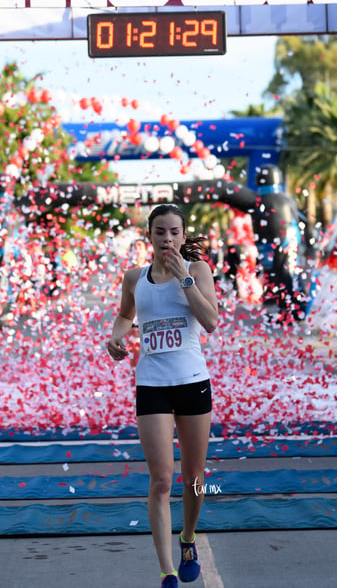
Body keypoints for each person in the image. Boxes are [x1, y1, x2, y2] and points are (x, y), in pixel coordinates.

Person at [107, 204, 218, 588]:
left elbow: (211, 322)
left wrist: (184, 276)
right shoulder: (134, 277)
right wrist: (116, 336)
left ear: (183, 236)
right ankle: (167, 570)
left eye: (174, 232)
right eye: (159, 232)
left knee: (195, 478)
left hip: (192, 382)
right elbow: (126, 315)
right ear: (149, 236)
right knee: (161, 480)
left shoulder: (199, 271)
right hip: (151, 384)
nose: (167, 239)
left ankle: (188, 538)